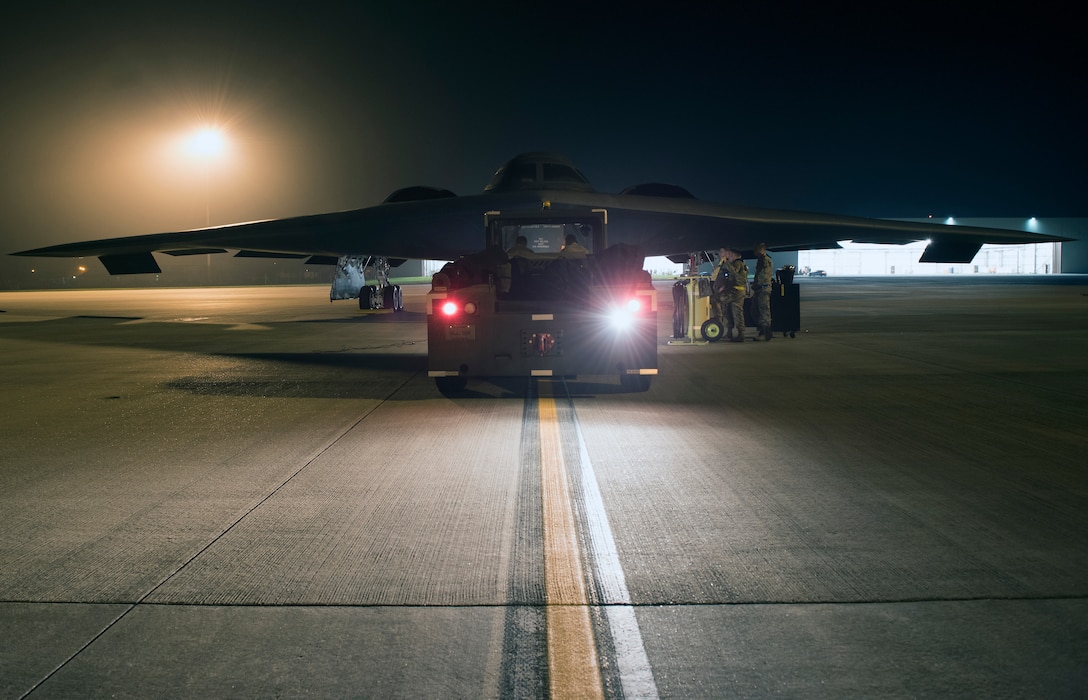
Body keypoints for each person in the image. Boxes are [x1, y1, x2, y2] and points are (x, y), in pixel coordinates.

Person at [713, 248, 748, 341]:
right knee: (734, 311)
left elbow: (734, 272)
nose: (729, 256)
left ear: (735, 255)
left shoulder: (738, 263)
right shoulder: (738, 264)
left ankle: (718, 322)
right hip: (736, 291)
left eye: (730, 254)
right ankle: (735, 333)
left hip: (736, 292)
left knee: (716, 299)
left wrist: (726, 262)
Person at [753, 242, 773, 341]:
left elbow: (763, 276)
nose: (755, 252)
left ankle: (765, 333)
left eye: (757, 250)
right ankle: (764, 332)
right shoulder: (762, 260)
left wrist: (757, 284)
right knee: (759, 311)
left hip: (763, 288)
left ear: (761, 250)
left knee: (764, 311)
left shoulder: (765, 260)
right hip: (761, 288)